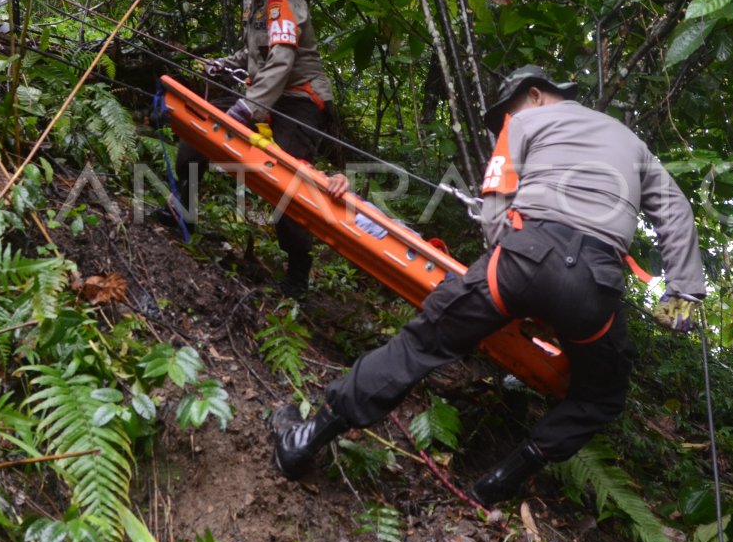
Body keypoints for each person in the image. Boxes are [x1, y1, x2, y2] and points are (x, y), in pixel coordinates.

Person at [272, 64, 707, 506]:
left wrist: (517, 270)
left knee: (421, 343)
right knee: (604, 396)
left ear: (536, 95)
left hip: (522, 257)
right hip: (596, 285)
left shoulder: (524, 121)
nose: (503, 122)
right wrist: (683, 294)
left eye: (507, 111)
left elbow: (496, 205)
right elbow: (676, 213)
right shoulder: (632, 144)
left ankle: (305, 439)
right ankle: (500, 481)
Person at [156, 0, 346, 299]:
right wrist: (221, 64)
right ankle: (184, 211)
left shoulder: (282, 3)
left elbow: (281, 62)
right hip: (264, 94)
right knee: (198, 131)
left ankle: (298, 271)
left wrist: (248, 108)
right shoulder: (255, 3)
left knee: (287, 183)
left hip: (299, 102)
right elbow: (255, 56)